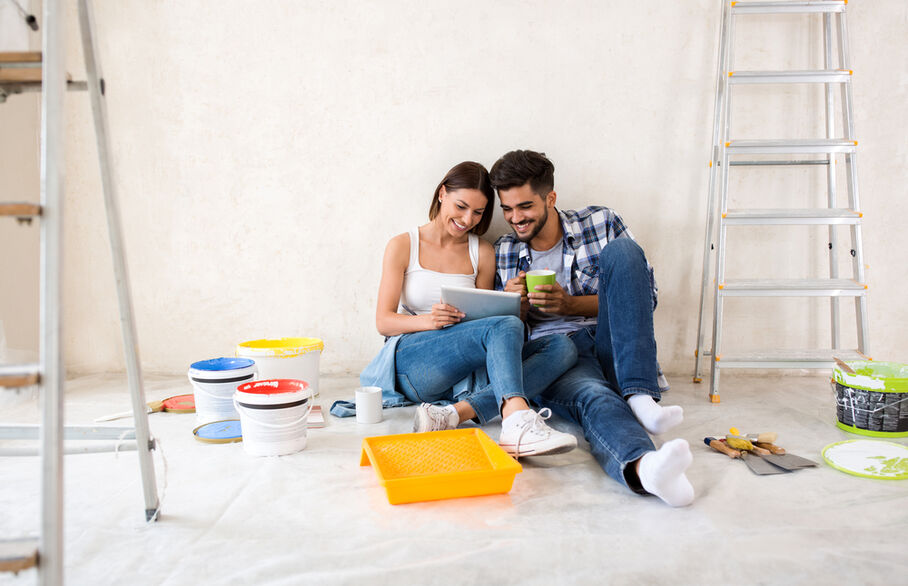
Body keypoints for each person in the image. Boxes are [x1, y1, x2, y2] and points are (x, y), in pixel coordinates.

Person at [486, 149, 694, 507]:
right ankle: (647, 468)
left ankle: (641, 396)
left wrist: (569, 304)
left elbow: (645, 298)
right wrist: (513, 306)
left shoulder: (600, 222)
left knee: (625, 252)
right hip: (560, 355)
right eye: (507, 209)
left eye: (525, 207)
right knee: (596, 398)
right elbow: (501, 337)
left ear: (550, 198)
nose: (515, 219)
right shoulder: (503, 251)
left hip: (615, 343)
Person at [352, 161, 579, 457]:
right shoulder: (403, 245)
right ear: (442, 194)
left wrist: (513, 301)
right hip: (415, 361)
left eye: (478, 212)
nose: (467, 219)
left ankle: (451, 415)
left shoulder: (482, 251)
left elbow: (489, 323)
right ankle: (516, 420)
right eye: (461, 206)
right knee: (504, 327)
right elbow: (384, 322)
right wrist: (428, 321)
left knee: (562, 347)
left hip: (465, 371)